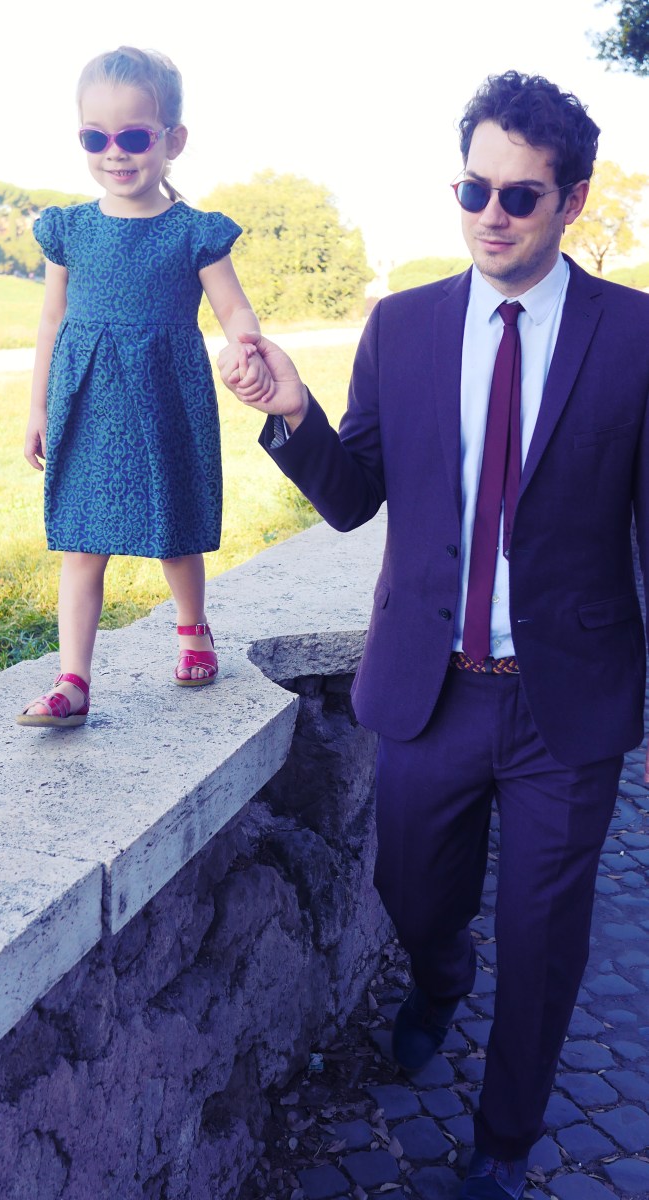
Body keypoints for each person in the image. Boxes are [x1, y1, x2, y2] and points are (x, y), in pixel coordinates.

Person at [219, 71, 649, 1200]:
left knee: (544, 939)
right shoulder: (402, 328)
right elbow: (354, 497)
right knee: (414, 894)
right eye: (472, 189)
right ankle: (440, 973)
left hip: (568, 705)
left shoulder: (635, 336)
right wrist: (293, 413)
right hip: (431, 687)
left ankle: (502, 1145)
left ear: (572, 201)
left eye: (519, 195)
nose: (490, 216)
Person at [18, 45, 271, 728]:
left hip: (166, 399)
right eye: (94, 138)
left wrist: (244, 342)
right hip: (87, 403)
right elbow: (51, 322)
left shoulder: (193, 233)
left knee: (174, 527)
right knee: (81, 539)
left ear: (172, 140)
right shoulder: (71, 230)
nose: (115, 153)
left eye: (133, 137)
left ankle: (193, 630)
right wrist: (38, 406)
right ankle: (73, 679)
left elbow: (233, 307)